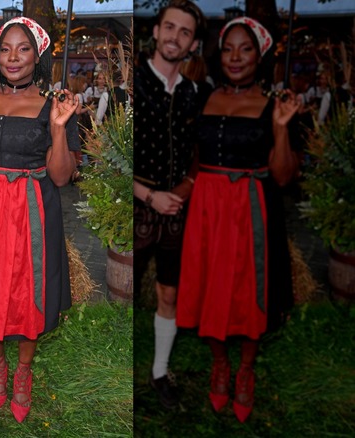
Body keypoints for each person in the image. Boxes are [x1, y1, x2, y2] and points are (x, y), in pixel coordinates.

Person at [0, 16, 80, 424]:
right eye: (6, 48)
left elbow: (61, 176)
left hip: (30, 210)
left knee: (28, 291)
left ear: (37, 56)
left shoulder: (54, 104)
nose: (13, 56)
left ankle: (23, 369)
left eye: (23, 48)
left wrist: (58, 128)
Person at [176, 16, 300, 423]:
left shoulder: (274, 104)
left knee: (249, 287)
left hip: (250, 209)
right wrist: (182, 189)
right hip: (207, 208)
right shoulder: (204, 97)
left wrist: (281, 129)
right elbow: (197, 158)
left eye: (245, 48)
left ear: (259, 56)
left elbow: (284, 176)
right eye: (228, 48)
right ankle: (220, 363)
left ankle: (245, 369)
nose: (235, 56)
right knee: (208, 281)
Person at [132, 0, 206, 410]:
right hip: (137, 208)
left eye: (185, 32)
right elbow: (111, 156)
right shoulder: (134, 83)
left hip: (177, 209)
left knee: (169, 292)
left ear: (192, 44)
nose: (176, 36)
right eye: (170, 27)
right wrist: (148, 195)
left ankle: (159, 371)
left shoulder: (195, 92)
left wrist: (188, 185)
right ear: (156, 31)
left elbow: (199, 151)